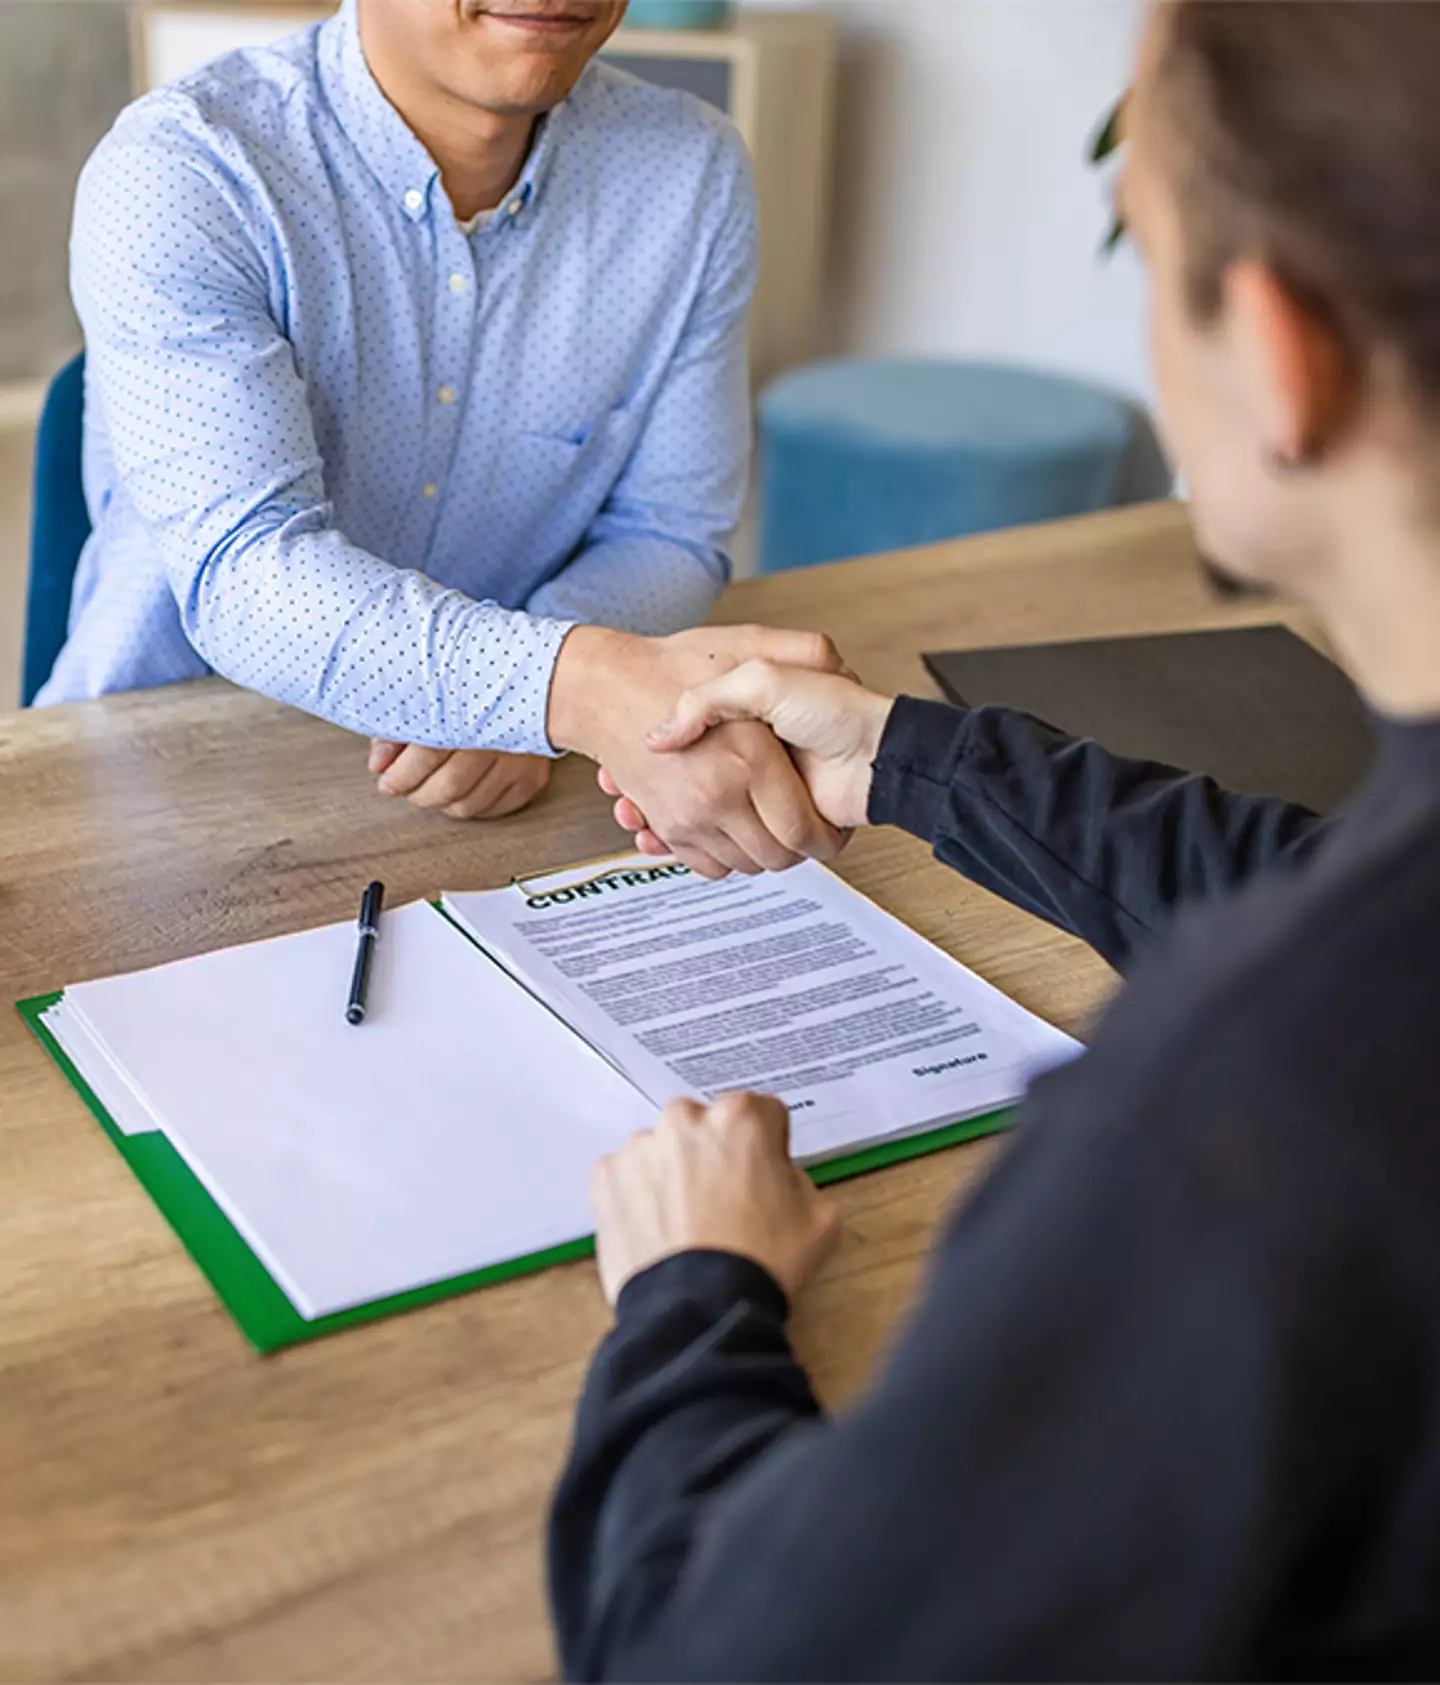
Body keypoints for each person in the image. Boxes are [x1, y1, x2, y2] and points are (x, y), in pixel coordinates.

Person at [550, 2, 1440, 1676]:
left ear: (1281, 353)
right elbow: (1339, 896)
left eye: (1147, 254)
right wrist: (903, 759)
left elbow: (707, 1652)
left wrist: (691, 1295)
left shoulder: (1229, 1132)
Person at [39, 0, 842, 877]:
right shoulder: (187, 167)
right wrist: (565, 686)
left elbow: (670, 530)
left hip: (504, 801)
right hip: (166, 788)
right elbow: (247, 569)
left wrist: (531, 690)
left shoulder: (691, 171)